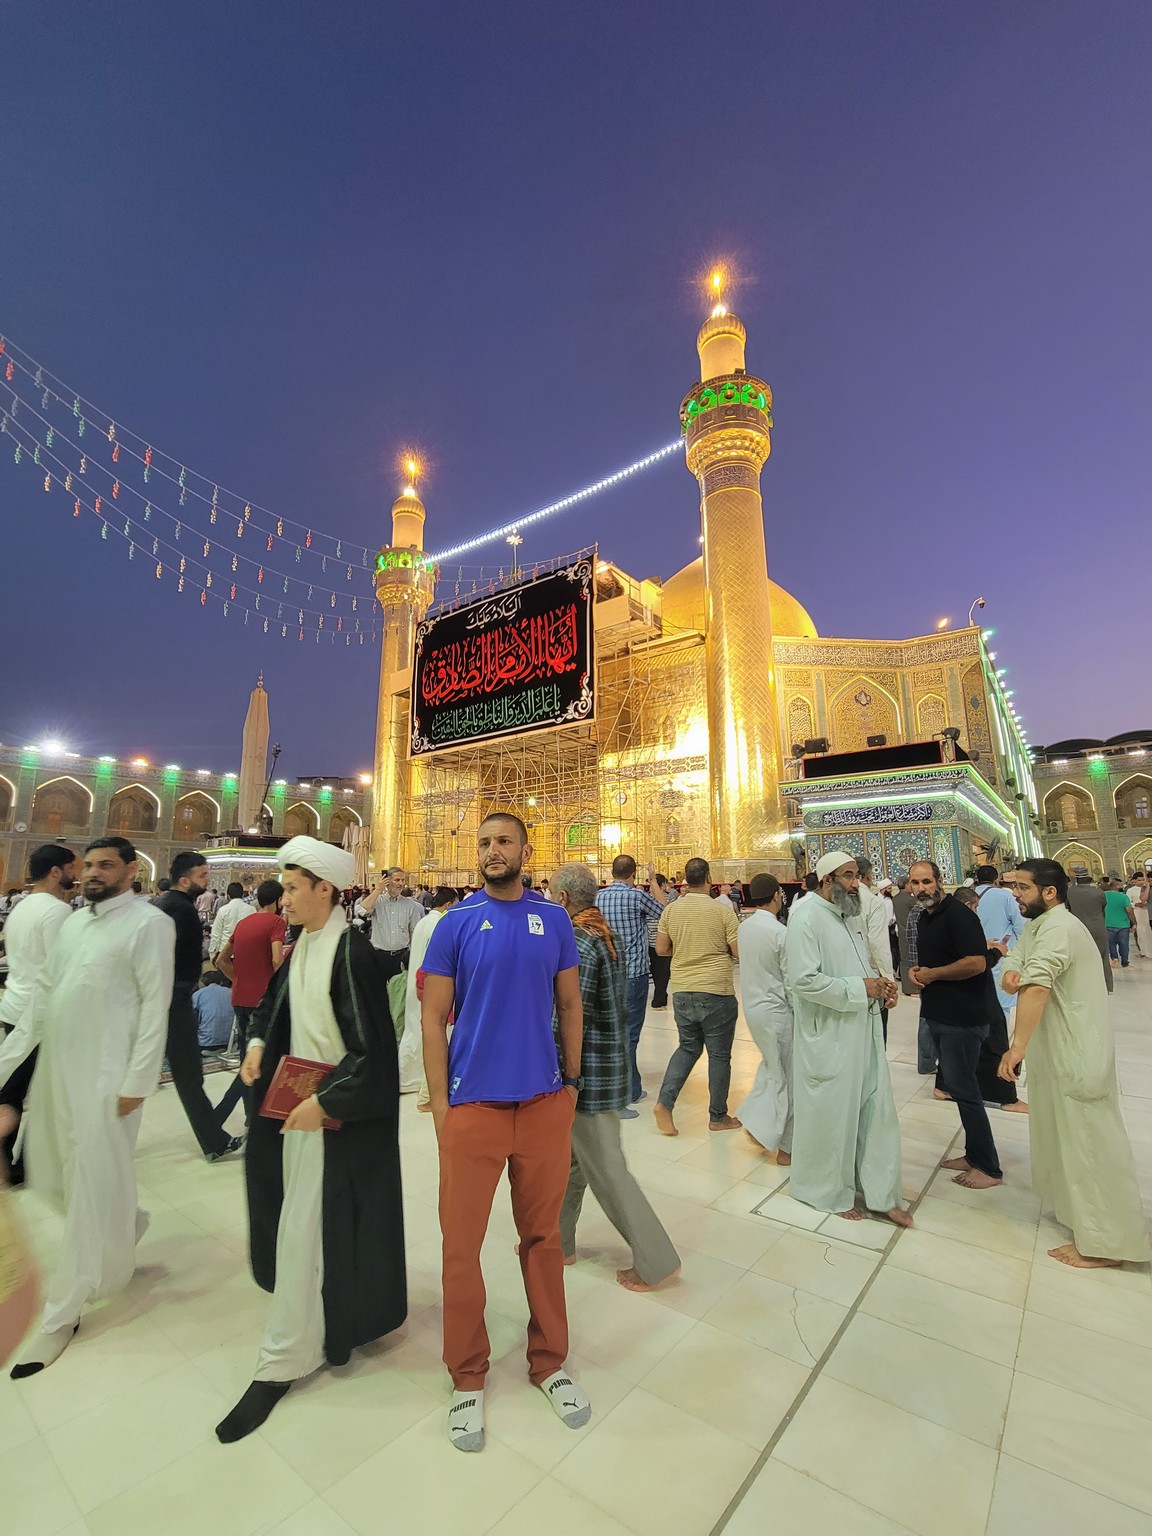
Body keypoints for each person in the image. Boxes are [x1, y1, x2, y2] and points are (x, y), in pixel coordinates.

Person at [218, 835, 406, 1442]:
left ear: (326, 890)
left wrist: (325, 1102)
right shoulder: (306, 944)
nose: (285, 900)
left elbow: (371, 1051)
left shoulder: (350, 952)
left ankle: (284, 1356)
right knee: (309, 1228)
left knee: (307, 1229)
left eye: (295, 889)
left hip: (331, 1120)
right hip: (302, 1115)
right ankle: (325, 1325)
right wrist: (255, 1045)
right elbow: (275, 1007)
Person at [421, 812, 589, 1454]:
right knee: (461, 1247)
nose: (493, 851)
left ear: (525, 849)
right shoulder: (455, 924)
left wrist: (571, 1083)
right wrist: (442, 1106)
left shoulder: (555, 920)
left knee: (543, 1238)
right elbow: (433, 1019)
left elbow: (569, 1005)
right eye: (485, 842)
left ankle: (550, 1361)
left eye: (504, 841)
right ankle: (467, 1374)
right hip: (475, 1108)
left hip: (543, 1104)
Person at [0, 837, 175, 1376]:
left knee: (87, 1186)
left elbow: (156, 1006)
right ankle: (125, 1224)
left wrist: (138, 1080)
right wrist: (8, 1067)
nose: (94, 873)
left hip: (107, 1080)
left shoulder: (149, 924)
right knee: (50, 1177)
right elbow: (45, 995)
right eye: (90, 864)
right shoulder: (74, 923)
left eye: (106, 865)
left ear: (130, 870)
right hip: (58, 1073)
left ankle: (63, 1311)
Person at [998, 859, 1150, 1269]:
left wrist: (1017, 1046)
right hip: (1059, 1053)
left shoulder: (1061, 929)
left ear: (1050, 892)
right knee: (1068, 1142)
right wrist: (1012, 972)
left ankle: (1107, 1245)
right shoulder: (1040, 926)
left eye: (1023, 888)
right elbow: (1016, 963)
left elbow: (1036, 987)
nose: (1016, 894)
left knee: (1091, 1148)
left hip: (1078, 1052)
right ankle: (1083, 1220)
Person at [552, 863, 680, 1292]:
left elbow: (570, 1015)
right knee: (571, 1164)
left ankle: (655, 1261)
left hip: (587, 1076)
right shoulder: (603, 933)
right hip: (605, 1066)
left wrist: (557, 1069)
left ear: (564, 898)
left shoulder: (578, 941)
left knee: (609, 1171)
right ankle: (558, 1242)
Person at [785, 851, 910, 1227]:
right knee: (833, 1115)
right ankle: (825, 1191)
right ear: (827, 880)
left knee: (874, 1110)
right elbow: (803, 980)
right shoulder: (806, 917)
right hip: (830, 1035)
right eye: (849, 876)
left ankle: (881, 1192)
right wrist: (860, 988)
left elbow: (860, 962)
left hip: (861, 1028)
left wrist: (881, 986)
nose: (857, 884)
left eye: (857, 876)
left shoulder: (848, 914)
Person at [906, 862, 1002, 1189]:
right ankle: (974, 1154)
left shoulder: (959, 915)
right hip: (940, 1014)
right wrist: (918, 970)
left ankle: (987, 1167)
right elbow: (936, 959)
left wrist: (933, 974)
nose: (921, 888)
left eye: (926, 881)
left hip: (963, 1018)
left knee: (967, 1091)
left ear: (939, 881)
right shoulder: (926, 916)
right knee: (960, 1089)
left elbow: (976, 963)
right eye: (915, 883)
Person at [154, 853, 244, 1163]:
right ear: (184, 880)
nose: (208, 881)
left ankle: (214, 1140)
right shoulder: (180, 909)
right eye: (203, 875)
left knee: (184, 1073)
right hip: (173, 998)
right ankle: (213, 1140)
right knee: (189, 1073)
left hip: (167, 996)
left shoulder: (167, 905)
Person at [0, 844, 81, 1182]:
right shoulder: (55, 911)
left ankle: (14, 1162)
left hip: (15, 1007)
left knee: (14, 1088)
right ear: (55, 872)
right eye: (72, 869)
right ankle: (22, 1164)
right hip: (40, 1015)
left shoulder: (21, 907)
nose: (76, 876)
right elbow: (61, 970)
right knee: (46, 1092)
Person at [652, 856, 741, 1136]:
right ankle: (718, 1117)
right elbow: (738, 951)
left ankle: (664, 1103)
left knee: (688, 1048)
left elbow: (661, 949)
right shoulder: (722, 911)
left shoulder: (672, 910)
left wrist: (683, 950)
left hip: (682, 989)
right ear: (709, 878)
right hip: (716, 990)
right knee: (719, 1055)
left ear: (685, 881)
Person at [595, 854, 668, 1109]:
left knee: (612, 1031)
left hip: (607, 974)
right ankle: (627, 1091)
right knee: (630, 1034)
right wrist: (653, 880)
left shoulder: (599, 897)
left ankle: (624, 1085)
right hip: (633, 973)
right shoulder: (636, 896)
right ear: (633, 874)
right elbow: (665, 912)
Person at [734, 874, 793, 1164]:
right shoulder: (780, 933)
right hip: (777, 1011)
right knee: (786, 1077)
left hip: (754, 1008)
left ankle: (756, 1123)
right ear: (776, 896)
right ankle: (785, 1147)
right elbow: (790, 980)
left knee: (772, 1067)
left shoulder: (745, 927)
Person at [947, 887, 1022, 1112]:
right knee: (994, 1039)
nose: (977, 911)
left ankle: (945, 1086)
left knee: (957, 1042)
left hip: (960, 995)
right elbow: (976, 963)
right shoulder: (964, 923)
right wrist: (997, 952)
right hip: (977, 992)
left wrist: (984, 945)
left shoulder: (948, 920)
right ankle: (1006, 1097)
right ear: (968, 905)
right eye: (975, 907)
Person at [400, 885, 458, 1094]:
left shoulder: (424, 921)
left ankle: (407, 1078)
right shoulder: (439, 924)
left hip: (417, 983)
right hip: (427, 985)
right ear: (449, 905)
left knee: (413, 1031)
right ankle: (420, 1083)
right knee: (428, 1034)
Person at [217, 880, 286, 1043]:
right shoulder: (277, 922)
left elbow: (221, 960)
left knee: (245, 1049)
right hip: (263, 999)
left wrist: (238, 979)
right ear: (278, 900)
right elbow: (277, 960)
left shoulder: (243, 923)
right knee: (263, 1049)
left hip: (239, 997)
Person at [355, 867, 424, 978]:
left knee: (399, 988)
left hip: (401, 957)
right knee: (378, 988)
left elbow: (414, 932)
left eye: (402, 880)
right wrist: (377, 890)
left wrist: (414, 957)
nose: (401, 883)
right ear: (387, 881)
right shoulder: (377, 901)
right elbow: (361, 911)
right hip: (379, 956)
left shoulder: (410, 905)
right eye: (397, 880)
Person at [855, 856, 896, 1043]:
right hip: (872, 978)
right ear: (868, 876)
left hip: (847, 980)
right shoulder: (873, 902)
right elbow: (878, 945)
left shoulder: (834, 901)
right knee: (876, 1037)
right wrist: (889, 983)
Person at [1066, 873, 1113, 991]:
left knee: (1080, 957)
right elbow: (1102, 908)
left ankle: (1084, 985)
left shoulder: (1070, 892)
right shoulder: (1098, 892)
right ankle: (1106, 985)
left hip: (1078, 927)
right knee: (1102, 956)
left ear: (1077, 880)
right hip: (1098, 927)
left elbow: (1068, 909)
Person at [647, 873, 676, 1011]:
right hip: (663, 940)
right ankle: (659, 999)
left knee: (656, 970)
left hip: (649, 941)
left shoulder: (646, 899)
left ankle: (660, 997)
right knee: (663, 971)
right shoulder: (669, 900)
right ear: (663, 885)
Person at [208, 882, 251, 964]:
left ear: (228, 895)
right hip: (245, 953)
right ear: (242, 894)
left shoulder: (223, 910)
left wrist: (212, 954)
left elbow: (216, 934)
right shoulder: (251, 910)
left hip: (224, 953)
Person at [193, 970, 235, 1051]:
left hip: (205, 1044)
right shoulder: (231, 992)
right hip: (230, 1043)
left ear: (202, 982)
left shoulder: (198, 994)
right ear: (221, 982)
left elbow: (192, 1020)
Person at [1103, 878, 1136, 969]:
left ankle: (1114, 958)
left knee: (1111, 943)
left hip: (1108, 923)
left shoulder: (1103, 895)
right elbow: (1129, 911)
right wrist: (1133, 922)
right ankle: (1125, 962)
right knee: (1124, 944)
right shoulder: (1123, 897)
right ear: (1117, 886)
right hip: (1123, 924)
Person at [892, 875, 916, 994]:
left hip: (901, 933)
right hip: (912, 934)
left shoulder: (895, 899)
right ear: (906, 885)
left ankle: (906, 987)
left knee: (904, 959)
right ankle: (914, 988)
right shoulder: (910, 900)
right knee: (913, 960)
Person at [1125, 870, 1148, 957]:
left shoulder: (1147, 888)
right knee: (1140, 932)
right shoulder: (1131, 890)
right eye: (1139, 880)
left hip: (1147, 911)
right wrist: (1136, 904)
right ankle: (1142, 951)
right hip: (1137, 912)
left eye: (1143, 880)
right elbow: (1128, 902)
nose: (1141, 882)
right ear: (1134, 880)